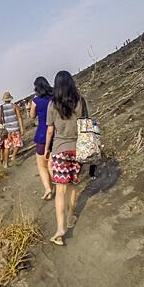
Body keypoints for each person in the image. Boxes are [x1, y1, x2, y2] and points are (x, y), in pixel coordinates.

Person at [44, 71, 86, 246]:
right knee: (73, 187)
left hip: (60, 151)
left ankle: (61, 229)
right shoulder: (80, 101)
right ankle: (70, 218)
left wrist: (47, 149)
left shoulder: (52, 105)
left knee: (60, 191)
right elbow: (85, 125)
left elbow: (50, 130)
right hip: (77, 150)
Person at [30, 77, 53, 200]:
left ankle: (48, 188)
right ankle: (58, 182)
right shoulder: (54, 98)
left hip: (41, 135)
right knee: (52, 161)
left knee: (42, 165)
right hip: (56, 133)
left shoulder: (35, 101)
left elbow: (32, 116)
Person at [0, 92, 24, 168]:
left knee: (7, 147)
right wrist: (22, 128)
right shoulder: (14, 106)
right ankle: (13, 156)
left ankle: (6, 164)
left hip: (7, 130)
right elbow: (19, 117)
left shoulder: (1, 108)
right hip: (15, 128)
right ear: (10, 99)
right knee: (18, 144)